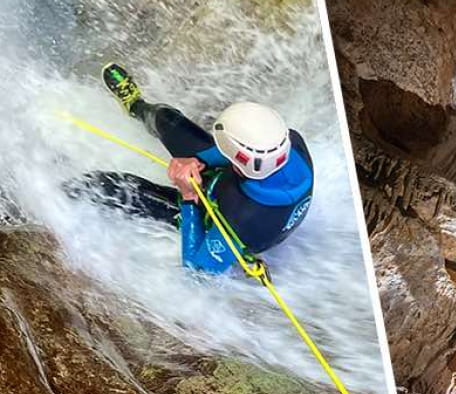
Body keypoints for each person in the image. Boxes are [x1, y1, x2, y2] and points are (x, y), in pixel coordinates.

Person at [71, 63, 314, 274]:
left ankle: (59, 190)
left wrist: (189, 197)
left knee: (106, 186)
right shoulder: (292, 145)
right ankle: (136, 106)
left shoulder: (243, 221)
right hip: (234, 185)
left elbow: (198, 271)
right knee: (166, 120)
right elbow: (242, 156)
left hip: (216, 218)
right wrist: (202, 162)